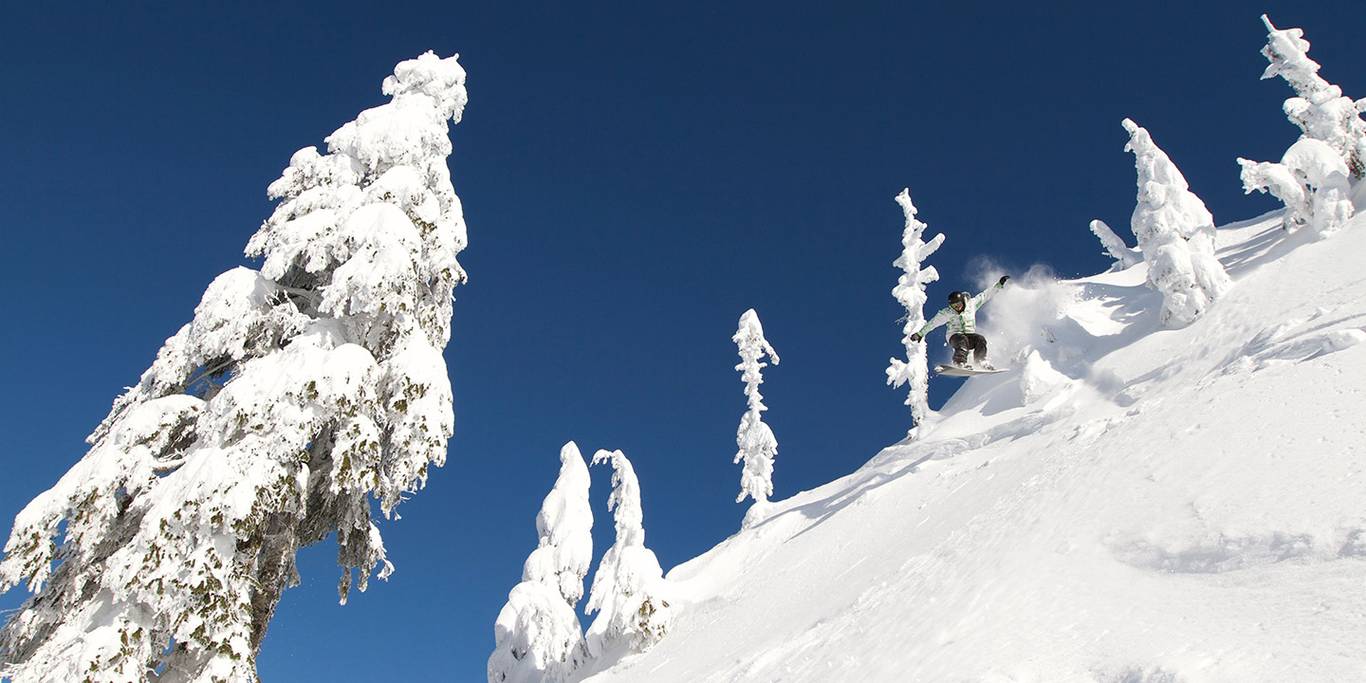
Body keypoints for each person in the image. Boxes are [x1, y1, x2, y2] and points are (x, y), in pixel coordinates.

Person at [910, 275, 1010, 368]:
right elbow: (933, 323)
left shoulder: (972, 305)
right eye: (954, 306)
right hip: (955, 336)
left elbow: (985, 295)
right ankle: (959, 362)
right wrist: (920, 334)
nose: (957, 307)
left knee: (980, 339)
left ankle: (980, 361)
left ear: (962, 301)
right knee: (962, 340)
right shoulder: (947, 313)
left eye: (958, 304)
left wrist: (998, 285)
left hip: (970, 336)